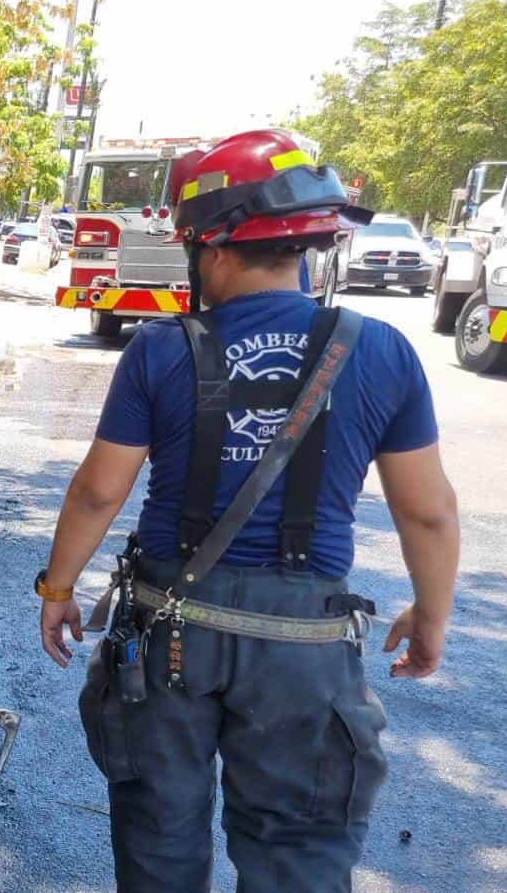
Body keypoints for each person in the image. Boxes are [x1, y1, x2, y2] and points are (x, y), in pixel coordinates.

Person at [34, 129, 459, 892]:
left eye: (195, 249)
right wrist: (431, 613)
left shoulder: (161, 350)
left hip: (169, 635)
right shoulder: (383, 350)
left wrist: (58, 590)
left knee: (159, 848)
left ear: (218, 251)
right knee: (295, 858)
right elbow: (425, 512)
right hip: (303, 647)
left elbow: (99, 488)